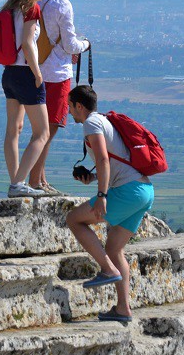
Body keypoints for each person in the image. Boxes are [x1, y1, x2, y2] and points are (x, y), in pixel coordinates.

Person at [65, 85, 155, 322]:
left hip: (126, 191)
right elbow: (114, 163)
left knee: (73, 220)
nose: (69, 111)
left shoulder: (91, 123)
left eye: (70, 106)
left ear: (79, 106)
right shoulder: (105, 121)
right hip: (143, 190)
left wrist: (102, 195)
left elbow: (104, 159)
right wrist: (93, 178)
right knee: (115, 248)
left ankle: (107, 269)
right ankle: (123, 308)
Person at [28, 0, 90, 194]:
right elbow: (70, 45)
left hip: (34, 69)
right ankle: (36, 180)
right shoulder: (61, 2)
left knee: (39, 131)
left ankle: (40, 178)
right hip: (55, 72)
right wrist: (86, 44)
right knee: (49, 130)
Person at [0, 0, 60, 198]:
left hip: (9, 73)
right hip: (25, 72)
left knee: (14, 129)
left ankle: (16, 179)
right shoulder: (31, 9)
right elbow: (27, 43)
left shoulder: (11, 8)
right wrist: (37, 73)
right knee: (42, 132)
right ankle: (17, 184)